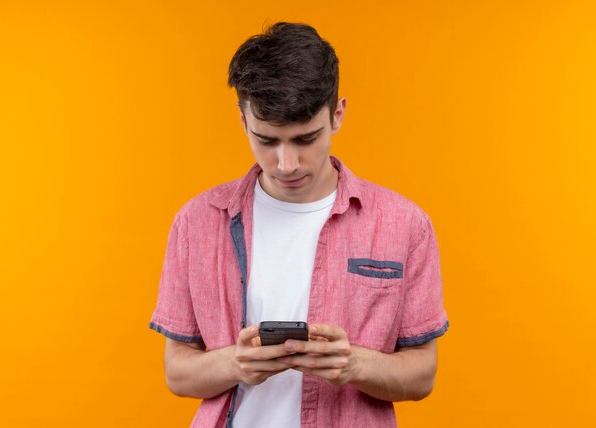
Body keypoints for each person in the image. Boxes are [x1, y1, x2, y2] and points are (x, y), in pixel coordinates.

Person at [149, 22, 449, 428]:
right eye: (267, 140)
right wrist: (236, 363)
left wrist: (354, 364)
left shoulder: (405, 225)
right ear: (242, 120)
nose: (286, 164)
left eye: (305, 139)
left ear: (337, 114)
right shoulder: (197, 222)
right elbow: (177, 372)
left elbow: (422, 375)